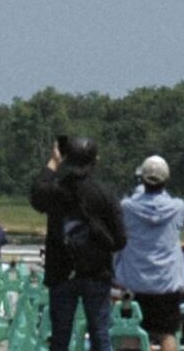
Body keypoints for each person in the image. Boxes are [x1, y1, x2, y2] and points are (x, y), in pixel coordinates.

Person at [30, 136, 128, 351]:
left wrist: (53, 163)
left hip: (62, 272)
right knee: (100, 333)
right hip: (96, 273)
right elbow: (120, 239)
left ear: (67, 159)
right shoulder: (104, 193)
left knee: (60, 335)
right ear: (95, 160)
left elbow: (36, 193)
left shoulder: (55, 191)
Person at [115, 155, 184, 351]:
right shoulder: (177, 207)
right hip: (166, 283)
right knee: (168, 333)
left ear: (143, 178)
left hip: (134, 281)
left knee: (130, 332)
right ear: (166, 179)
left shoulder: (127, 207)